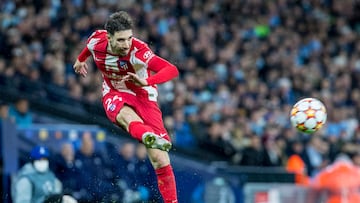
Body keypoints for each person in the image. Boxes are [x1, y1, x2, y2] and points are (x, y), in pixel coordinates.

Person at [73, 11, 178, 202]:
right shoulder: (97, 40)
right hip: (114, 92)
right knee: (125, 115)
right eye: (121, 40)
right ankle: (146, 135)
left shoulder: (138, 50)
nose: (126, 44)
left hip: (144, 96)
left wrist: (146, 81)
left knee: (160, 159)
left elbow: (171, 70)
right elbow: (88, 49)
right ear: (109, 36)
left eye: (129, 38)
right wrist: (80, 60)